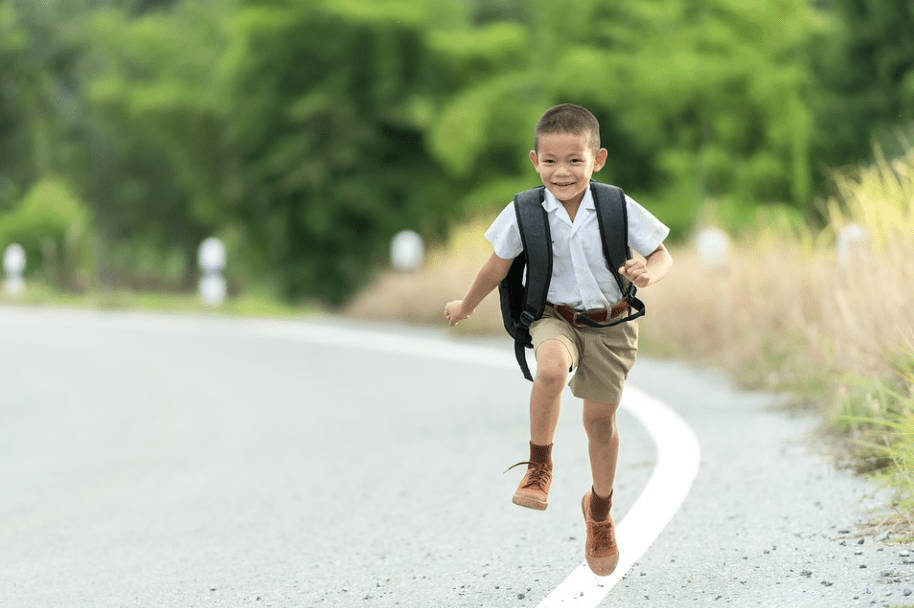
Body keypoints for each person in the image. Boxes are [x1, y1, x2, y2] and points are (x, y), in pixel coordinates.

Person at [444, 103, 672, 576]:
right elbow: (497, 265)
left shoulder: (615, 205)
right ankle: (539, 467)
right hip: (555, 317)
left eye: (575, 160)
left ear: (598, 159)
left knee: (599, 424)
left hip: (611, 324)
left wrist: (649, 273)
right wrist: (466, 304)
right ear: (534, 160)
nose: (562, 172)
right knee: (549, 369)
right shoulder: (524, 211)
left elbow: (661, 253)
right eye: (550, 161)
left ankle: (600, 510)